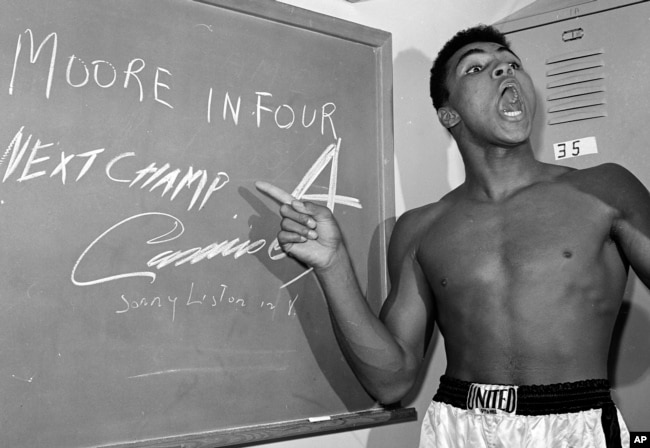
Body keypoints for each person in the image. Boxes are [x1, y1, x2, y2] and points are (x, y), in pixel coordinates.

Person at [256, 24, 649, 447]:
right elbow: (391, 382)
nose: (504, 70)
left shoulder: (605, 188)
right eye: (477, 67)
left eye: (511, 63)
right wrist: (332, 266)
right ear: (449, 114)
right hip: (457, 428)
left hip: (576, 427)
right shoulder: (420, 228)